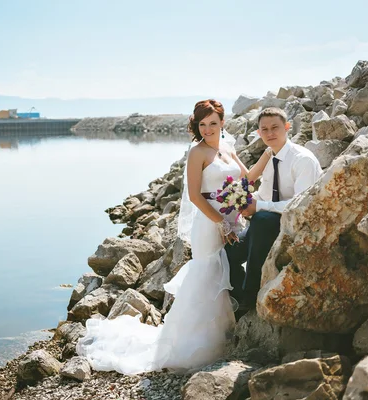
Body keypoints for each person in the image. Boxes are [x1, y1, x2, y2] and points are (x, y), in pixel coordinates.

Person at [76, 100, 270, 375]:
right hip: (209, 224)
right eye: (202, 124)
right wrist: (220, 223)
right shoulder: (197, 152)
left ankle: (226, 332)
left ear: (222, 122)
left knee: (226, 271)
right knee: (208, 273)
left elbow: (247, 180)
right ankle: (194, 344)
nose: (207, 129)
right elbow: (194, 195)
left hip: (230, 220)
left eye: (213, 123)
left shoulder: (228, 148)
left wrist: (270, 152)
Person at [225, 107, 322, 312]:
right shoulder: (270, 156)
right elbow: (266, 194)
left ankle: (250, 297)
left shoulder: (302, 159)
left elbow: (301, 204)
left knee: (261, 220)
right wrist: (246, 202)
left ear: (287, 128)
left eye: (275, 128)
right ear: (259, 133)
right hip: (267, 222)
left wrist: (258, 206)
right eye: (265, 129)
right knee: (226, 252)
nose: (270, 133)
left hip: (298, 224)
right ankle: (239, 295)